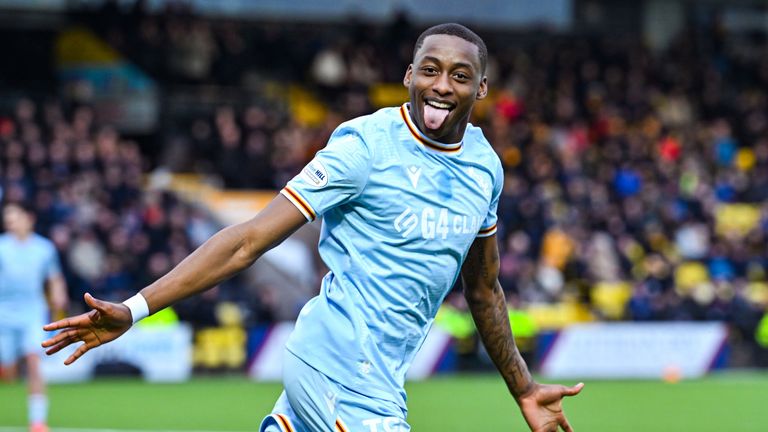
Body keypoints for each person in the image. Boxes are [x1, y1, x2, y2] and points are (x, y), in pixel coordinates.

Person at [43, 23, 583, 431]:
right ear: (408, 77)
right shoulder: (365, 147)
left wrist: (525, 388)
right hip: (340, 368)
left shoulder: (485, 166)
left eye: (459, 76)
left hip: (377, 376)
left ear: (481, 88)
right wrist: (136, 309)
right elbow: (250, 240)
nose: (441, 85)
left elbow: (483, 288)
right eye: (430, 70)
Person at [1, 201, 68, 432]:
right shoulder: (1, 247)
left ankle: (38, 422)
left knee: (33, 361)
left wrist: (59, 295)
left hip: (32, 312)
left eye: (14, 217)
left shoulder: (44, 248)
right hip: (3, 315)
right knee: (7, 373)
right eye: (7, 219)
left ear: (28, 218)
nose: (10, 223)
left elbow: (55, 277)